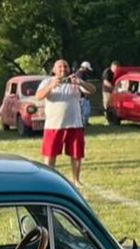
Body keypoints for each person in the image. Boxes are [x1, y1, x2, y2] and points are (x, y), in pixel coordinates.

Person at [35, 59, 95, 188]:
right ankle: (48, 180)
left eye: (65, 66)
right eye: (60, 67)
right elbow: (39, 96)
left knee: (76, 154)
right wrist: (51, 86)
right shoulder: (47, 81)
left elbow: (92, 90)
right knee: (50, 155)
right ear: (54, 70)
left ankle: (76, 180)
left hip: (74, 124)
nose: (63, 69)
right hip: (53, 125)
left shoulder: (75, 81)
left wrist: (81, 83)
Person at [77, 61, 94, 125]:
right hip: (82, 95)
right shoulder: (81, 74)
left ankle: (84, 122)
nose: (88, 71)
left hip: (81, 95)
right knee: (85, 110)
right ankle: (84, 122)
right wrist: (85, 93)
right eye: (87, 69)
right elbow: (80, 85)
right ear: (85, 68)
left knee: (85, 110)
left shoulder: (78, 73)